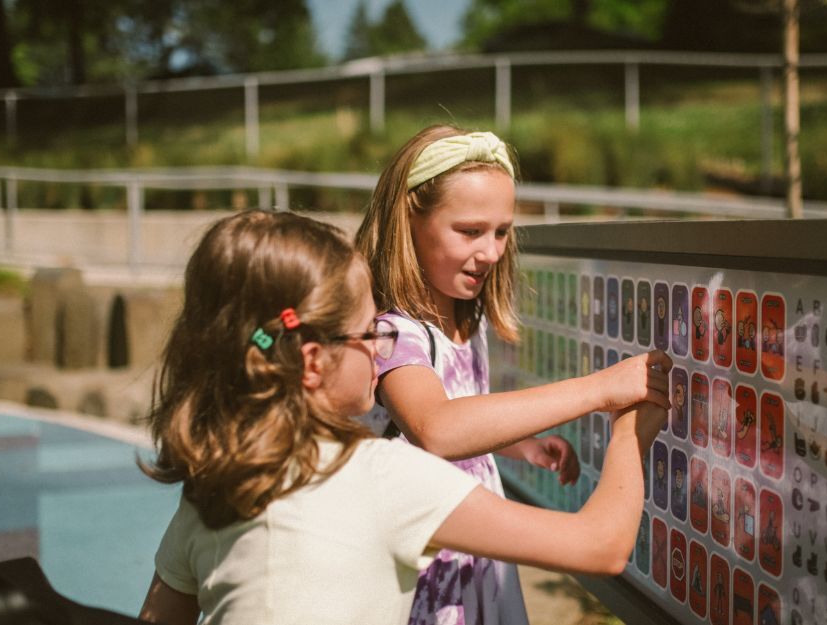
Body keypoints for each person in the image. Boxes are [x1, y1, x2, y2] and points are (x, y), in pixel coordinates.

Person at [135, 211, 670, 625]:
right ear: (313, 362)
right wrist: (629, 432)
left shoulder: (215, 486)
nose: (381, 348)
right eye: (370, 332)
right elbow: (599, 546)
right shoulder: (380, 476)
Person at [355, 125, 672, 625]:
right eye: (470, 231)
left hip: (478, 565)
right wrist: (599, 389)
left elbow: (460, 409)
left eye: (502, 232)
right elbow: (436, 427)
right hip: (429, 589)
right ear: (409, 219)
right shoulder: (394, 334)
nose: (492, 252)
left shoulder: (467, 317)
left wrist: (520, 446)